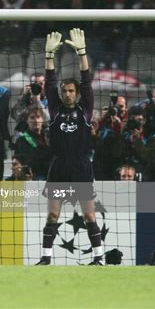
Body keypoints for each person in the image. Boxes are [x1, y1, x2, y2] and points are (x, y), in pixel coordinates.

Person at [36, 29, 104, 266]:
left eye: (71, 91)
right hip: (59, 168)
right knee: (53, 215)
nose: (67, 94)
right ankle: (46, 258)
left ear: (76, 94)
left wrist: (82, 53)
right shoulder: (54, 109)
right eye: (64, 91)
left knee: (88, 215)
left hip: (81, 167)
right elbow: (50, 82)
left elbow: (86, 80)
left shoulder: (85, 109)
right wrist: (48, 57)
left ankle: (98, 258)